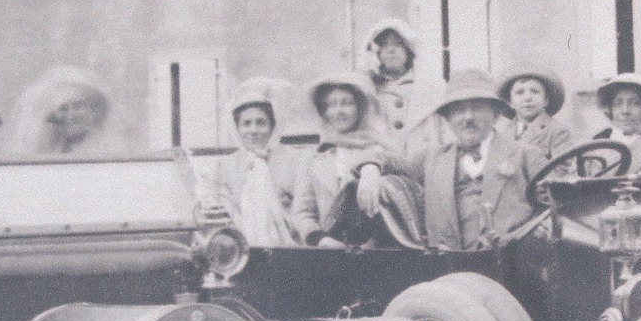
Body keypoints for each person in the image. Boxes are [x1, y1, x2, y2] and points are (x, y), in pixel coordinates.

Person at [397, 70, 548, 251]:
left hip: (511, 266)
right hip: (449, 268)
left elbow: (552, 212)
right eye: (459, 110)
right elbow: (389, 161)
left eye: (477, 108)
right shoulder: (431, 158)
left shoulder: (526, 155)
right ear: (448, 118)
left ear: (495, 113)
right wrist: (370, 169)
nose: (468, 117)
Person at [291, 73, 393, 249]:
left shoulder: (380, 149)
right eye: (331, 105)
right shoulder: (314, 158)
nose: (339, 111)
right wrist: (320, 239)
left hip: (377, 252)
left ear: (360, 108)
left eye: (347, 103)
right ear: (324, 112)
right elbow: (302, 212)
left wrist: (371, 168)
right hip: (329, 252)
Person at [213, 78, 300, 247]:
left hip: (287, 246)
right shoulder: (225, 166)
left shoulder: (292, 160)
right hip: (238, 248)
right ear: (237, 129)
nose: (253, 130)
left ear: (272, 127)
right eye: (246, 124)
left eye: (261, 123)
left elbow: (302, 210)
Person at [9, 66, 118, 156]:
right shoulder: (44, 149)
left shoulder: (110, 148)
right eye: (63, 108)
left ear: (93, 109)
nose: (71, 114)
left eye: (78, 106)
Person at [498, 64, 574, 161]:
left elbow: (560, 169)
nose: (527, 98)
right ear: (510, 102)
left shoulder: (557, 131)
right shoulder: (503, 133)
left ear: (546, 100)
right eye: (520, 92)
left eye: (535, 91)